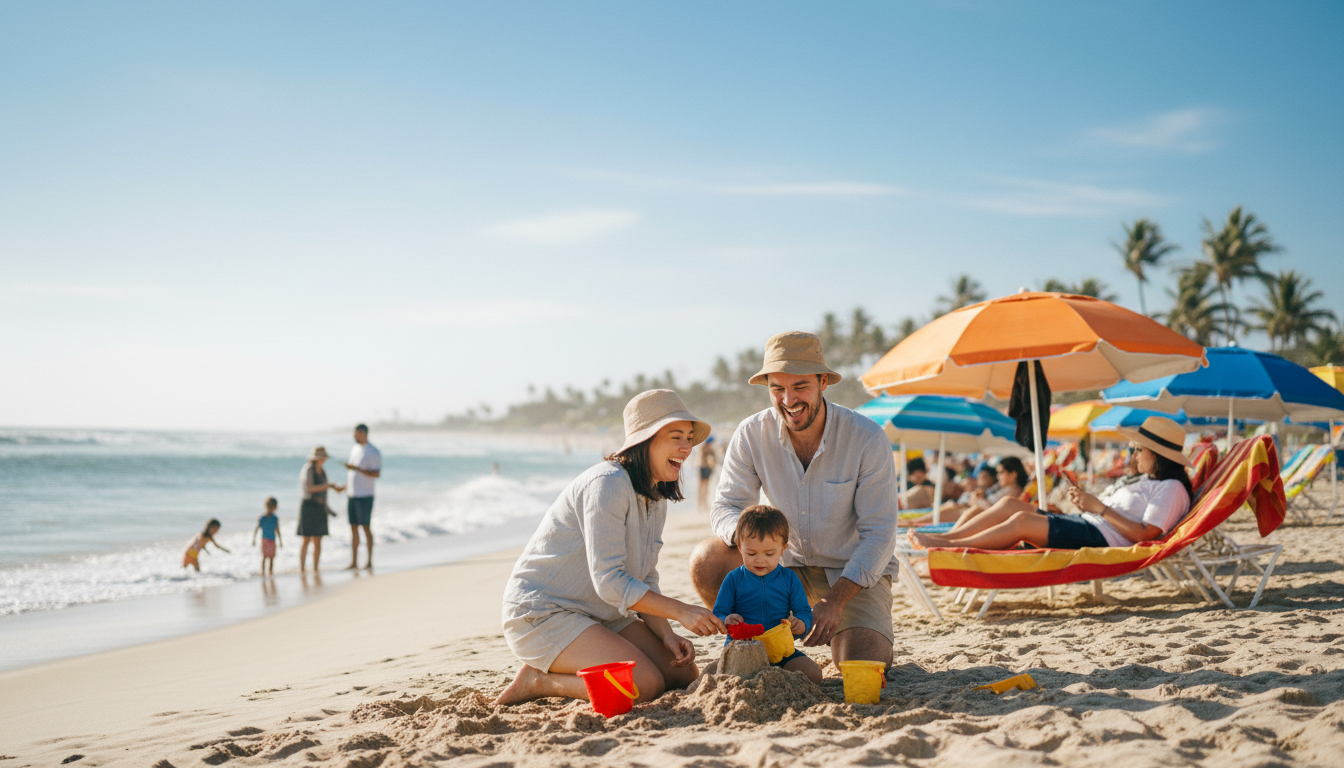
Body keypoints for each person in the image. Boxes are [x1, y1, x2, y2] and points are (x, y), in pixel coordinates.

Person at [495, 390, 726, 706]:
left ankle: (574, 664)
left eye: (688, 438)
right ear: (644, 441)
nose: (687, 447)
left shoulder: (656, 494)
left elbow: (645, 576)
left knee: (681, 674)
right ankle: (539, 680)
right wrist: (681, 611)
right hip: (544, 613)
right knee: (642, 685)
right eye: (676, 437)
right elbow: (610, 581)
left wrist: (667, 633)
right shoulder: (607, 483)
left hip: (600, 613)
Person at [690, 331, 900, 670]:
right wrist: (756, 542)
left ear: (823, 383)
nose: (788, 399)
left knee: (864, 664)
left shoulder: (867, 438)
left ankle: (842, 633)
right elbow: (727, 506)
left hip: (850, 575)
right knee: (708, 558)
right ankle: (757, 643)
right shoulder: (751, 433)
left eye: (800, 386)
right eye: (777, 388)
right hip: (781, 566)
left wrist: (834, 601)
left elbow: (880, 535)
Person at [910, 416, 1193, 551]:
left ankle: (951, 546)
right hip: (1089, 524)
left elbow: (1146, 534)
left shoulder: (1171, 488)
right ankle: (947, 539)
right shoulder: (1147, 480)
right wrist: (1089, 505)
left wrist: (1100, 508)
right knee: (1009, 504)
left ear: (1158, 455)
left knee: (1022, 521)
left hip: (1101, 537)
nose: (1134, 455)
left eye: (1138, 449)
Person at [712, 505, 822, 684]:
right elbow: (718, 613)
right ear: (739, 546)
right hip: (742, 649)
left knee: (813, 674)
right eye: (751, 553)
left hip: (781, 650)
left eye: (769, 554)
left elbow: (803, 610)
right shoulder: (734, 579)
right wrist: (726, 619)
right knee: (712, 673)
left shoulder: (789, 579)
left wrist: (802, 624)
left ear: (783, 548)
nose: (760, 559)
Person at [296, 446, 344, 571]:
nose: (324, 460)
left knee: (318, 540)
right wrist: (328, 486)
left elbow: (324, 490)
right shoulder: (308, 469)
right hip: (308, 506)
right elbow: (309, 488)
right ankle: (302, 568)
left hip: (320, 507)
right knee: (306, 538)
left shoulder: (322, 471)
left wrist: (332, 490)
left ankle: (315, 568)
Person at [343, 424, 382, 570]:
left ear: (363, 433)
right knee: (353, 528)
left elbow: (376, 473)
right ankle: (354, 562)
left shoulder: (373, 451)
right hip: (352, 494)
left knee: (366, 527)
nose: (354, 436)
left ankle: (369, 561)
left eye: (357, 434)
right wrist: (345, 486)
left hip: (365, 495)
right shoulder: (355, 449)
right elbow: (353, 473)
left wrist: (357, 469)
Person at [252, 497, 282, 575]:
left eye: (272, 508)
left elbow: (277, 530)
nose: (270, 510)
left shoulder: (275, 518)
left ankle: (270, 572)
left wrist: (280, 541)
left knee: (272, 557)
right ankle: (263, 572)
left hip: (272, 540)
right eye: (269, 507)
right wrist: (254, 539)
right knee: (264, 557)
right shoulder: (262, 518)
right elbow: (257, 528)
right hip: (264, 540)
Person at [696, 436, 718, 513]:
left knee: (704, 487)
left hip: (705, 468)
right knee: (702, 487)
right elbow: (710, 460)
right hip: (703, 468)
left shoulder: (707, 449)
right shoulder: (704, 448)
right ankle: (700, 505)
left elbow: (714, 460)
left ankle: (703, 504)